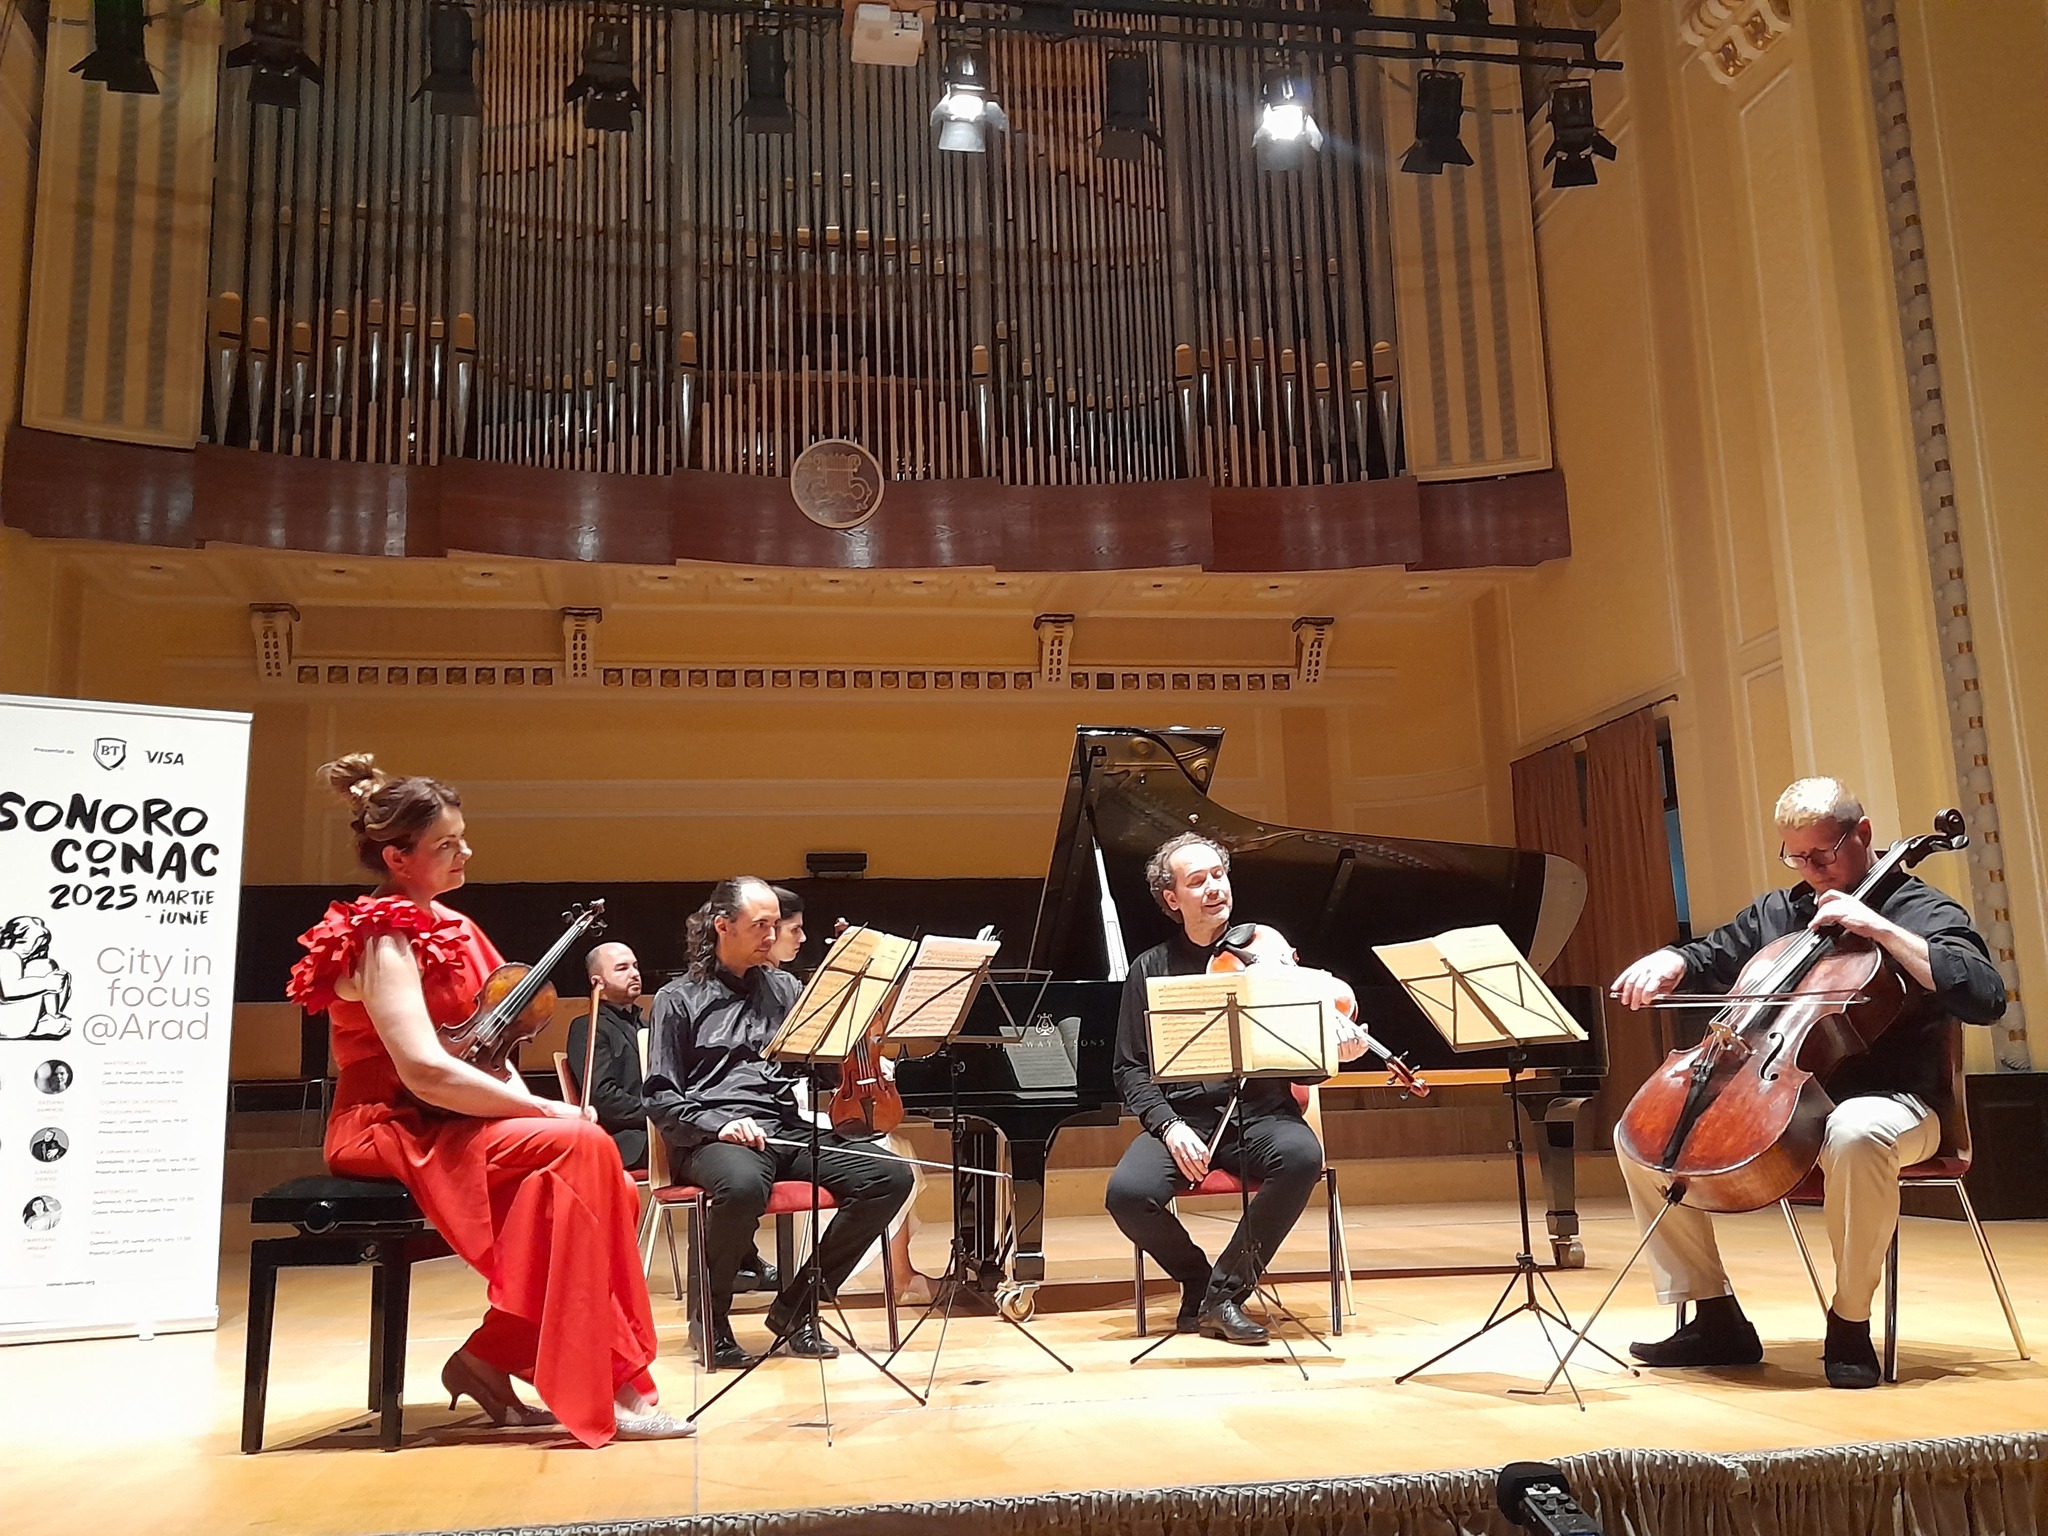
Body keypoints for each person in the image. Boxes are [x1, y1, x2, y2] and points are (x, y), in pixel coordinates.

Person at [287, 753, 686, 1443]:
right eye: (446, 844)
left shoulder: (460, 928)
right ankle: (604, 1384)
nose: (464, 852)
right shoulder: (380, 939)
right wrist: (544, 1110)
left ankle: (489, 1358)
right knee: (582, 1151)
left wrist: (541, 1107)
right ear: (398, 857)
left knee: (612, 1184)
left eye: (462, 838)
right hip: (391, 1122)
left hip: (455, 1117)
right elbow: (423, 1070)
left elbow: (488, 1052)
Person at [1610, 777, 2008, 1389]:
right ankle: (1714, 1316)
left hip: (1899, 1104)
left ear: (1863, 834)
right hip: (1786, 1100)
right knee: (1644, 1135)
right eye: (1796, 857)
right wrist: (1674, 959)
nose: (1812, 871)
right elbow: (1713, 952)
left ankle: (1849, 1320)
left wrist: (1880, 930)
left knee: (1854, 1130)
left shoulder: (1922, 911)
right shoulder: (1780, 912)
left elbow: (1984, 995)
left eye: (1823, 854)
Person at [1105, 833, 1370, 1345]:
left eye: (1218, 875)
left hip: (1262, 1113)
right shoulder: (1150, 969)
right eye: (1196, 881)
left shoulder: (1266, 957)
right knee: (1128, 1194)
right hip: (1186, 1118)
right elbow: (1130, 1068)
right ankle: (1197, 1279)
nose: (1213, 888)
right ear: (1172, 898)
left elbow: (1303, 1067)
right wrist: (1169, 1126)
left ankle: (1225, 1294)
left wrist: (1333, 1053)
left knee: (1301, 1157)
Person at [644, 876, 914, 1370]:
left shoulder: (786, 989)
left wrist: (854, 1032)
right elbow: (660, 1095)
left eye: (775, 925)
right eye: (760, 925)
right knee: (743, 1185)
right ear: (723, 926)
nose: (772, 936)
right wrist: (719, 1126)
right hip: (712, 1137)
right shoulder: (677, 999)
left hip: (782, 1127)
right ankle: (712, 1320)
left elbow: (819, 1068)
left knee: (889, 1175)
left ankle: (798, 1308)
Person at [779, 890, 937, 1308]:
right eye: (793, 930)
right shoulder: (790, 992)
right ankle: (897, 1275)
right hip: (789, 1112)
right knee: (891, 1152)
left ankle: (899, 1272)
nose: (801, 938)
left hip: (812, 1101)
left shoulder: (796, 986)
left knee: (896, 1148)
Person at [565, 942, 653, 1171]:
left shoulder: (646, 1026)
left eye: (635, 966)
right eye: (622, 968)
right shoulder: (588, 1027)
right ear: (598, 982)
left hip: (657, 1133)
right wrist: (659, 1114)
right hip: (628, 1141)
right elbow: (602, 1096)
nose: (634, 974)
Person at [0, 917, 71, 1041]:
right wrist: (46, 983)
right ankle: (50, 1018)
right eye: (22, 942)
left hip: (13, 1023)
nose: (30, 949)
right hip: (9, 1024)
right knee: (45, 966)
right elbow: (9, 991)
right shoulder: (7, 955)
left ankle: (50, 1017)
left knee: (46, 965)